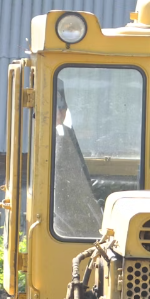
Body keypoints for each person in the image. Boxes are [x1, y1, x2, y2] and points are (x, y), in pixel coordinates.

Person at [51, 79, 103, 239]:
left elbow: (80, 177)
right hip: (62, 219)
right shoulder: (48, 140)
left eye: (62, 107)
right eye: (57, 107)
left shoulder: (68, 135)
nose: (60, 112)